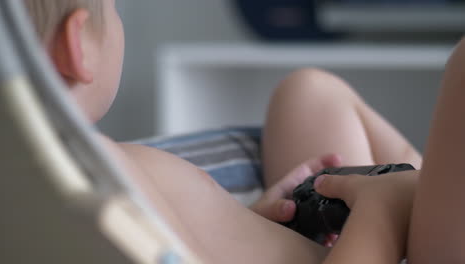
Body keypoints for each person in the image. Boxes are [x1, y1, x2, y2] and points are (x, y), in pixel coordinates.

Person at [24, 0, 460, 263]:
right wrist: (383, 213)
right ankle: (427, 197)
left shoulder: (63, 185)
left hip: (342, 237)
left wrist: (249, 226)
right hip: (378, 247)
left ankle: (429, 194)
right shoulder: (100, 179)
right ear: (76, 45)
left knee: (308, 94)